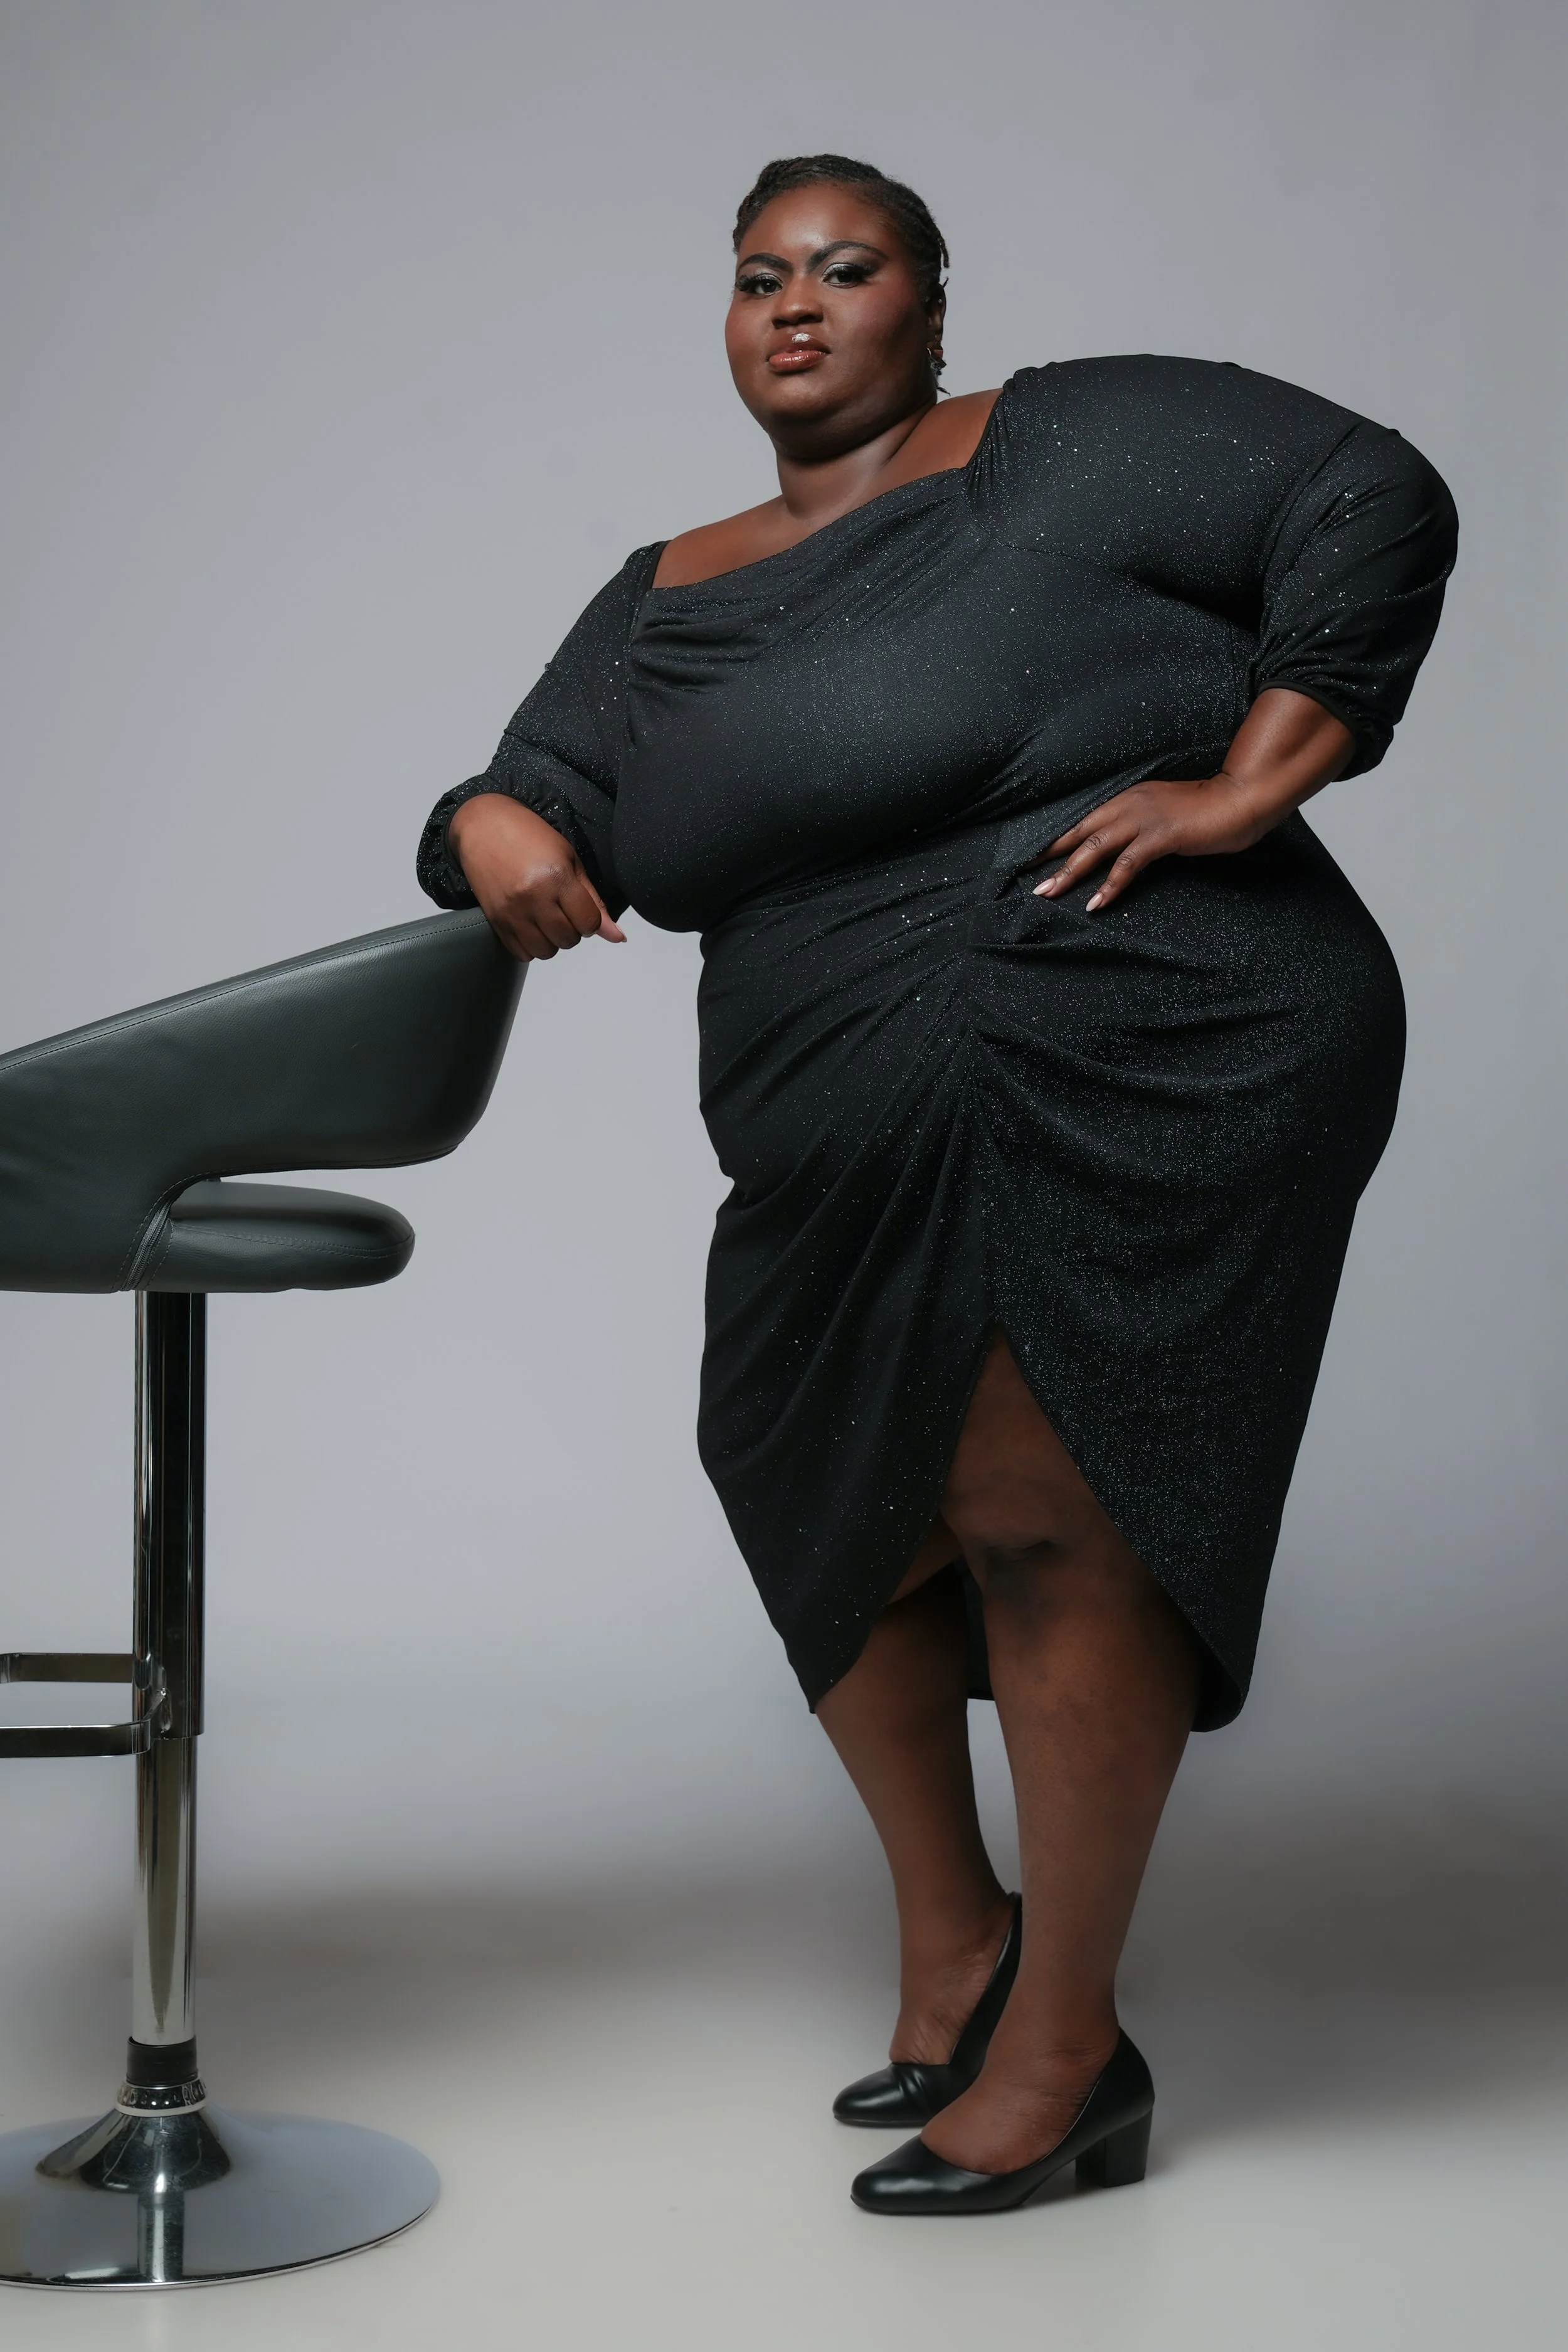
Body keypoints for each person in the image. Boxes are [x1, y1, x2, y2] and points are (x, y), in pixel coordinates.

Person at [417, 154, 1456, 2215]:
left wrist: (1255, 777)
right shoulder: (661, 590)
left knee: (1043, 1511)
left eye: (845, 267)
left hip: (1132, 1039)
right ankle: (960, 1949)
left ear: (930, 301)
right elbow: (532, 788)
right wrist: (481, 821)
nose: (795, 307)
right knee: (814, 1488)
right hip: (826, 1114)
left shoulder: (1057, 447)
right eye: (756, 278)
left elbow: (1369, 495)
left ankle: (1066, 2054)